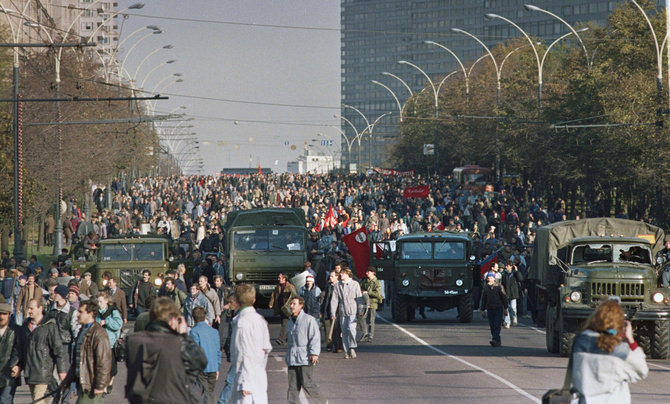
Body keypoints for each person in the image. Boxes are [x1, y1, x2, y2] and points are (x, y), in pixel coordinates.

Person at [125, 297, 207, 404]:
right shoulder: (176, 343)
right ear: (173, 320)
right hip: (169, 398)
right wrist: (183, 335)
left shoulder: (133, 341)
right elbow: (200, 361)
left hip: (140, 398)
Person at [571, 300, 648, 403]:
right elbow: (642, 370)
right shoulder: (621, 350)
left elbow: (588, 333)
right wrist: (630, 339)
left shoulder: (579, 342)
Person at [16, 298, 68, 404]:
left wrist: (61, 370)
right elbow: (21, 349)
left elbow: (58, 349)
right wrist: (17, 365)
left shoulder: (49, 326)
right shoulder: (25, 326)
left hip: (43, 371)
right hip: (29, 372)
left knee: (37, 399)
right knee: (37, 399)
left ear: (40, 308)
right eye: (28, 308)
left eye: (31, 308)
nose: (29, 311)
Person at [60, 300, 112, 403]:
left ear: (91, 314)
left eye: (81, 312)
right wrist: (68, 380)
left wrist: (100, 385)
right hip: (82, 382)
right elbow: (77, 360)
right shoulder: (83, 330)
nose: (78, 314)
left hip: (91, 385)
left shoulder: (99, 333)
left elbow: (104, 362)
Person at [229, 284, 272, 404]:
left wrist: (245, 381)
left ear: (237, 301)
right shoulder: (260, 320)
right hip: (259, 375)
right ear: (254, 300)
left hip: (246, 380)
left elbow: (245, 353)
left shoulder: (242, 322)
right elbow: (266, 349)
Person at [285, 296, 324, 404]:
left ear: (301, 306)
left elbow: (315, 337)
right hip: (292, 358)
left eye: (294, 304)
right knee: (292, 386)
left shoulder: (308, 320)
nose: (291, 306)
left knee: (307, 383)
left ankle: (322, 401)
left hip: (305, 358)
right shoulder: (290, 321)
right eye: (291, 304)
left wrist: (314, 353)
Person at [190, 306, 221, 404]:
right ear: (205, 316)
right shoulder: (214, 332)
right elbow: (218, 351)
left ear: (193, 318)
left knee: (204, 393)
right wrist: (217, 367)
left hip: (201, 368)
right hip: (213, 366)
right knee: (210, 392)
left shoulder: (194, 332)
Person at [329, 267, 362, 359]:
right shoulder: (337, 285)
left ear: (348, 274)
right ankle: (347, 352)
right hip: (342, 310)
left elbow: (359, 298)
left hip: (353, 310)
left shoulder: (355, 284)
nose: (341, 275)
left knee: (351, 329)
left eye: (343, 273)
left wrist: (360, 310)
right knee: (344, 332)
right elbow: (334, 300)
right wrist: (333, 312)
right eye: (341, 273)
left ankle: (352, 347)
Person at [95, 292, 123, 393]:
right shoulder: (96, 312)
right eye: (98, 301)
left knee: (111, 366)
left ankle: (109, 383)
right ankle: (103, 384)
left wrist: (107, 322)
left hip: (110, 343)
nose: (99, 304)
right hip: (99, 343)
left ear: (106, 301)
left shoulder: (113, 311)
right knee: (101, 365)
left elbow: (118, 324)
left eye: (101, 301)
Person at [480, 272, 508, 347]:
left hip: (498, 308)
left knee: (496, 324)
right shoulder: (485, 288)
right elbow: (484, 299)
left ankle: (495, 339)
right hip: (490, 308)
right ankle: (497, 340)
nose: (489, 279)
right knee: (492, 325)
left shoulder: (499, 287)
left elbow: (504, 298)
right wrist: (482, 310)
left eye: (490, 278)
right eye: (488, 278)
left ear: (494, 278)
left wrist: (506, 308)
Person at [268, 273, 297, 345]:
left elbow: (294, 297)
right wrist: (271, 304)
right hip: (281, 308)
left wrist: (293, 306)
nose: (278, 279)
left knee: (285, 323)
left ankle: (280, 339)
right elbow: (273, 295)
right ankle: (287, 337)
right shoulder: (278, 287)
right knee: (285, 323)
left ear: (284, 279)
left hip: (288, 308)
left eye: (279, 278)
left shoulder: (290, 287)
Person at [0, 302, 20, 403]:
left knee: (5, 400)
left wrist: (16, 365)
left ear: (9, 315)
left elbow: (18, 350)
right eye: (0, 313)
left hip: (8, 372)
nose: (2, 317)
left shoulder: (16, 330)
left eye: (4, 314)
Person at [360, 266, 383, 342]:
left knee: (371, 320)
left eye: (368, 272)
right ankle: (364, 333)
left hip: (373, 302)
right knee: (362, 318)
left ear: (373, 273)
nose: (367, 273)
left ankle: (370, 336)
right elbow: (360, 288)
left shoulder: (377, 282)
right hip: (365, 302)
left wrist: (368, 292)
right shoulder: (365, 281)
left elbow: (378, 294)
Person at [322, 271, 343, 353]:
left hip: (337, 310)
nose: (330, 277)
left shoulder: (340, 286)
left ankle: (338, 346)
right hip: (328, 309)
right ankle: (329, 345)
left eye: (332, 276)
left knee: (337, 329)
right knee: (327, 329)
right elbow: (325, 299)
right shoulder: (329, 286)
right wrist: (322, 310)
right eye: (330, 276)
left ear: (337, 277)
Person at [501, 261, 524, 328]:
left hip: (513, 293)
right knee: (506, 308)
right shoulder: (504, 275)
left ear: (511, 266)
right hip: (506, 293)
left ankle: (514, 317)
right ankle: (507, 322)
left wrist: (517, 271)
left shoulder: (514, 274)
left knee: (513, 308)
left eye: (507, 266)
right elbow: (502, 284)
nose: (506, 267)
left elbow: (520, 279)